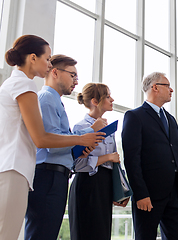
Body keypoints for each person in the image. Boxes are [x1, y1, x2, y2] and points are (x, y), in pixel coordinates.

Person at [0, 35, 103, 240]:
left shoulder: (16, 84)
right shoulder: (25, 86)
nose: (49, 64)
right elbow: (41, 138)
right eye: (47, 59)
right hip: (16, 167)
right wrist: (81, 139)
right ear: (32, 58)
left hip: (15, 167)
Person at [25, 54, 108, 240]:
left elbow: (60, 143)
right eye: (73, 75)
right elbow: (51, 143)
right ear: (55, 72)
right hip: (47, 176)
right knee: (41, 234)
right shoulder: (46, 98)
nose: (76, 82)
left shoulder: (55, 100)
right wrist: (86, 134)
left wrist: (79, 148)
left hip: (57, 176)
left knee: (46, 232)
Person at [122, 72, 178, 240]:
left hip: (173, 193)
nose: (171, 90)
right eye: (167, 86)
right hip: (148, 194)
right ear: (155, 87)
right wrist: (140, 194)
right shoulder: (135, 116)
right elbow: (132, 160)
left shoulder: (169, 119)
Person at [68, 83, 129, 240]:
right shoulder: (81, 127)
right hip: (87, 185)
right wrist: (107, 158)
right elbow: (78, 164)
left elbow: (114, 163)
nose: (112, 99)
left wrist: (121, 190)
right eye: (108, 96)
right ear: (95, 101)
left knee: (102, 233)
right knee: (85, 233)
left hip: (104, 184)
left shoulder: (108, 127)